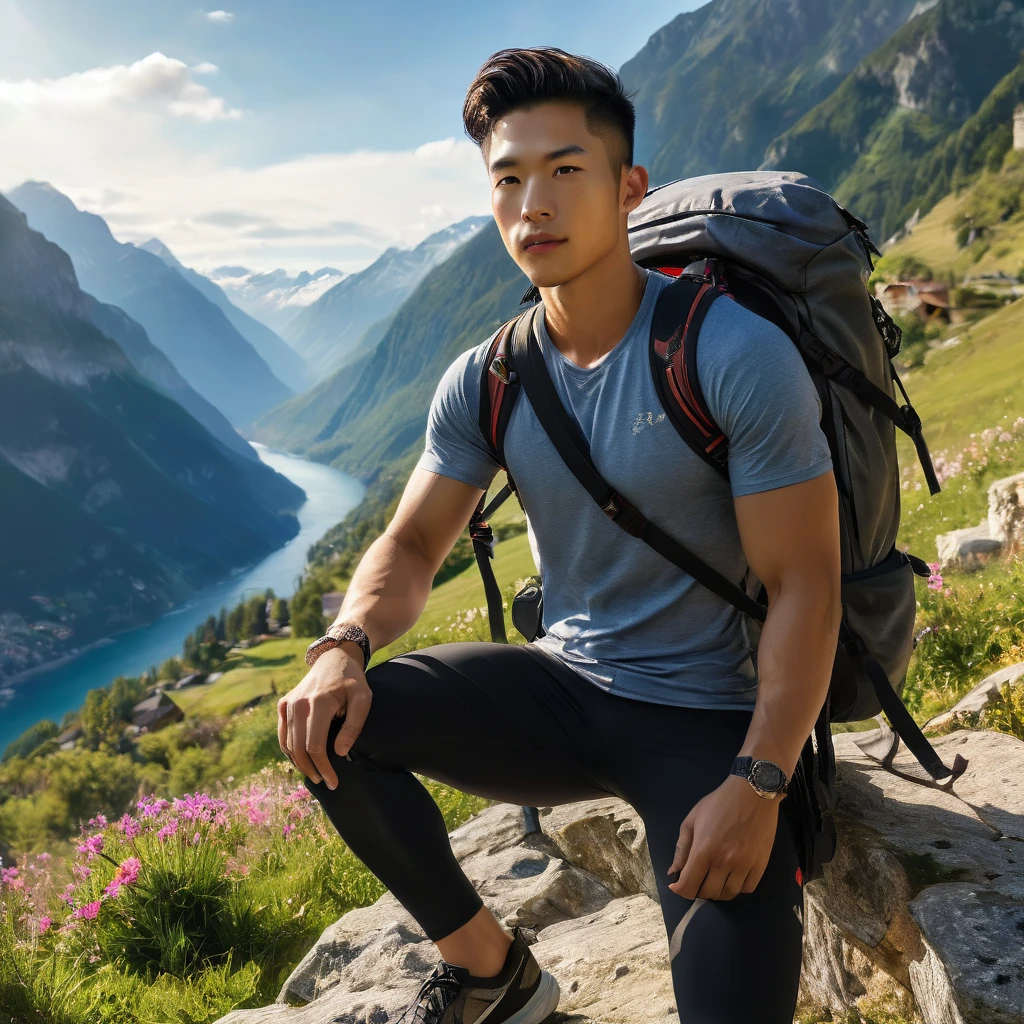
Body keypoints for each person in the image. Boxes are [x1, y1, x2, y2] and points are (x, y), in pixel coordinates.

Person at [279, 46, 841, 1024]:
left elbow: (806, 585)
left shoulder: (728, 352)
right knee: (333, 723)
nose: (532, 201)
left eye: (564, 170)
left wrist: (759, 781)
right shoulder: (487, 377)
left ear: (629, 188)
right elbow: (412, 548)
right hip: (568, 688)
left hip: (714, 723)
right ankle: (497, 972)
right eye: (507, 177)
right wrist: (342, 645)